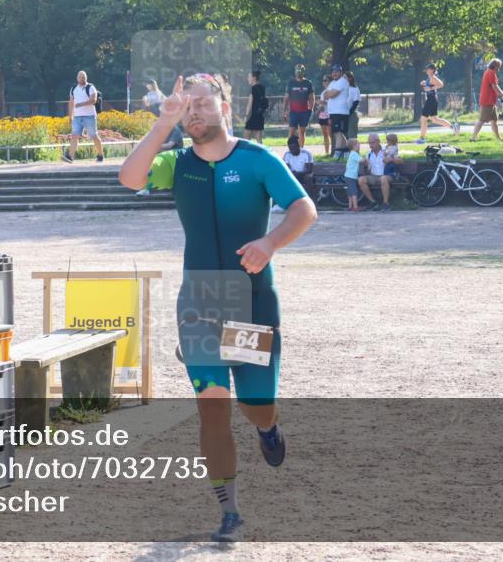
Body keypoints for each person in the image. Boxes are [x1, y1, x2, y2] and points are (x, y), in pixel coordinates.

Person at [118, 73, 317, 543]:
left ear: (226, 107)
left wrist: (269, 243)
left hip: (250, 300)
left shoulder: (255, 159)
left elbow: (303, 208)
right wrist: (162, 123)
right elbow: (129, 178)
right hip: (200, 301)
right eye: (187, 107)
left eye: (203, 104)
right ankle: (230, 511)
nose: (195, 113)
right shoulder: (177, 163)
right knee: (212, 407)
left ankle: (268, 428)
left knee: (254, 405)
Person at [64, 70, 104, 163]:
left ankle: (100, 155)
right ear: (77, 78)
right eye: (80, 77)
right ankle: (70, 157)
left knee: (94, 136)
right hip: (77, 117)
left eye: (83, 77)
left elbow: (93, 100)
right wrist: (70, 116)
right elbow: (71, 102)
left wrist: (81, 104)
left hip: (89, 116)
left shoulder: (90, 88)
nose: (82, 79)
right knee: (74, 136)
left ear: (86, 78)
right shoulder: (73, 89)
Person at [471, 58, 503, 141]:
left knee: (494, 121)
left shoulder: (488, 72)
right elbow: (495, 86)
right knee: (481, 120)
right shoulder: (491, 72)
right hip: (487, 101)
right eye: (499, 66)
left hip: (491, 101)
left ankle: (498, 138)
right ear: (495, 65)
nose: (499, 68)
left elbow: (492, 87)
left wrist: (498, 95)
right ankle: (473, 138)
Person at [415, 64, 453, 144]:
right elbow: (431, 85)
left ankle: (422, 139)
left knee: (423, 119)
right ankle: (452, 127)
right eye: (426, 68)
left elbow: (441, 84)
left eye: (428, 69)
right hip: (432, 100)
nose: (426, 70)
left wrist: (430, 88)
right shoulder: (429, 78)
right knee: (435, 119)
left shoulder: (433, 77)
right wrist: (425, 83)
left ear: (432, 70)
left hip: (431, 100)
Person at [358, 133, 393, 212]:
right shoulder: (369, 154)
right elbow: (368, 171)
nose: (371, 145)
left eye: (372, 143)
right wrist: (366, 166)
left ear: (378, 141)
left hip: (386, 175)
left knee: (383, 178)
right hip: (373, 176)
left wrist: (391, 159)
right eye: (369, 143)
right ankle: (373, 202)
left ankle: (386, 203)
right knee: (361, 180)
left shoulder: (386, 150)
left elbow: (400, 160)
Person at [322, 64, 350, 158]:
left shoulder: (342, 82)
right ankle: (346, 153)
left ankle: (337, 155)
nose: (334, 73)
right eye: (333, 72)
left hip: (341, 112)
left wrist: (329, 93)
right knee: (338, 133)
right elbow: (325, 95)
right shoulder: (332, 83)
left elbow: (332, 94)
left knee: (338, 133)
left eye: (337, 72)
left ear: (340, 72)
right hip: (333, 113)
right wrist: (329, 93)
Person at [284, 64, 314, 149]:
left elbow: (312, 98)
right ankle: (290, 150)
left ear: (303, 72)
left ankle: (301, 149)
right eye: (297, 71)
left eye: (300, 71)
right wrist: (284, 111)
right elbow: (286, 98)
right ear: (295, 72)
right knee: (291, 132)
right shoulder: (291, 83)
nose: (298, 72)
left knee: (302, 132)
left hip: (304, 112)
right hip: (293, 112)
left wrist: (311, 110)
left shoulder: (308, 83)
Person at [244, 71, 268, 143]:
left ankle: (246, 150)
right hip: (260, 115)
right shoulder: (262, 87)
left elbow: (250, 104)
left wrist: (246, 115)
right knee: (258, 137)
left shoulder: (253, 88)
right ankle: (261, 150)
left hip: (252, 115)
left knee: (246, 137)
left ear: (254, 78)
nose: (248, 79)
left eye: (249, 77)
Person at [344, 138, 363, 211]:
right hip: (351, 177)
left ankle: (350, 206)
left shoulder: (352, 154)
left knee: (350, 192)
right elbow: (361, 160)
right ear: (354, 146)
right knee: (354, 192)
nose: (359, 146)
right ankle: (355, 207)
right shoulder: (354, 154)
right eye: (358, 144)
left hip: (348, 176)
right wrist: (367, 160)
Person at [317, 85, 331, 156]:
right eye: (324, 81)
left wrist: (324, 102)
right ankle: (327, 152)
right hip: (323, 115)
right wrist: (319, 107)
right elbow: (322, 105)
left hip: (330, 114)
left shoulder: (332, 91)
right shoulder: (323, 93)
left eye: (326, 80)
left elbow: (334, 103)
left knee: (331, 134)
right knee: (325, 135)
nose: (325, 82)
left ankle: (334, 151)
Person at [346, 71, 361, 139]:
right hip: (342, 114)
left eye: (345, 77)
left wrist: (349, 113)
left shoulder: (354, 89)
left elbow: (356, 102)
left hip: (351, 115)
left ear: (350, 78)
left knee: (351, 135)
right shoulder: (341, 89)